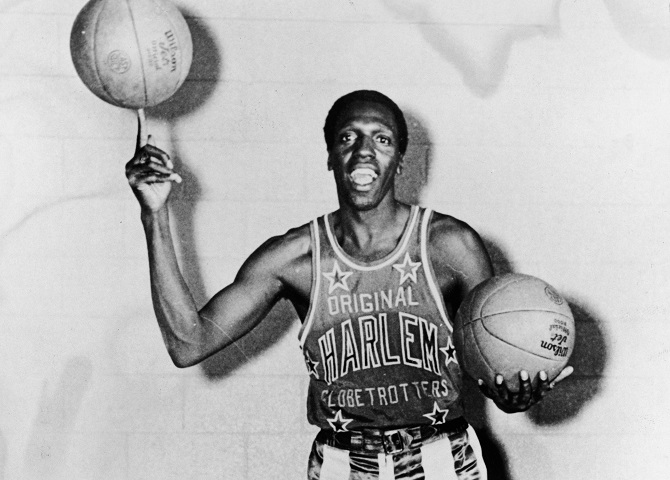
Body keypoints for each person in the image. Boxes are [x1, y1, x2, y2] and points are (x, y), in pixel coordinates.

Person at [126, 90, 572, 479]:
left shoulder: (450, 245)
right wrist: (155, 214)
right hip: (343, 463)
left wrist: (515, 394)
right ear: (329, 156)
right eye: (347, 137)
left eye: (381, 139)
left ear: (399, 158)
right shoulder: (295, 257)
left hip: (444, 457)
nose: (363, 152)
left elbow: (495, 375)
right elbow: (188, 343)